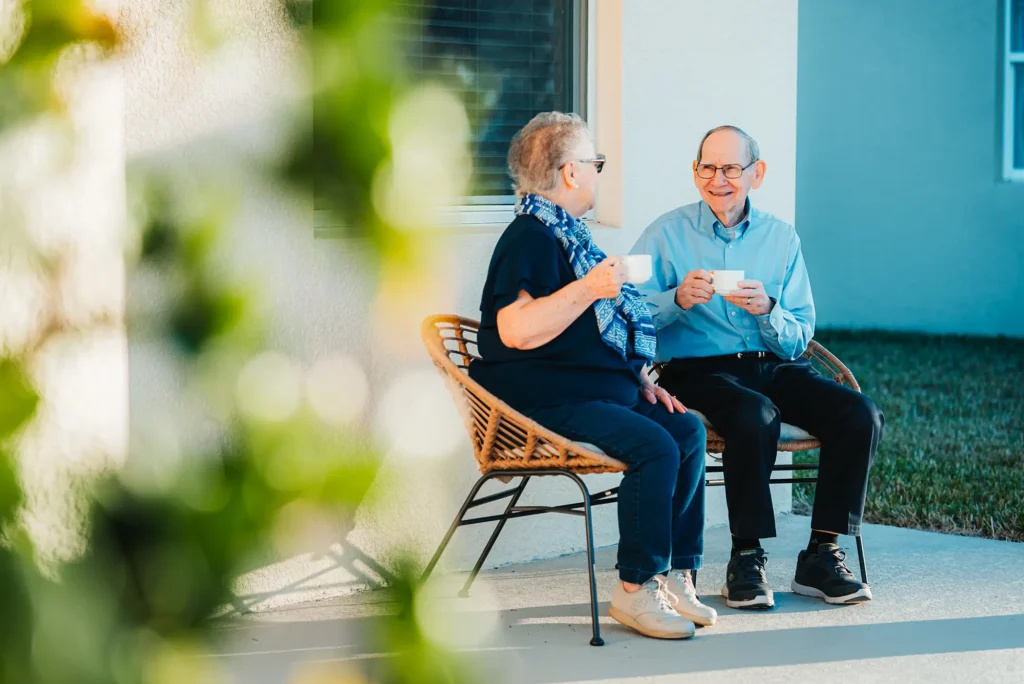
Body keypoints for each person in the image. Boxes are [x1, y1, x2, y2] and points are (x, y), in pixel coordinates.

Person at [469, 112, 713, 639]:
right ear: (571, 172)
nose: (599, 174)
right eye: (595, 163)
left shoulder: (567, 235)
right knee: (656, 446)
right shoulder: (530, 237)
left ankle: (674, 573)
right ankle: (635, 589)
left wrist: (636, 377)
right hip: (546, 399)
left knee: (687, 430)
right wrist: (591, 288)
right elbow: (515, 330)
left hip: (593, 391)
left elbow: (582, 333)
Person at [632, 125, 884, 609]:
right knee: (755, 414)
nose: (718, 179)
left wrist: (768, 310)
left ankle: (821, 554)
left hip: (773, 364)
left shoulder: (781, 237)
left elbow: (800, 335)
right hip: (697, 370)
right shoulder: (664, 233)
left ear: (757, 173)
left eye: (731, 168)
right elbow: (627, 313)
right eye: (708, 167)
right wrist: (675, 298)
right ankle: (746, 556)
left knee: (860, 414)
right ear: (695, 172)